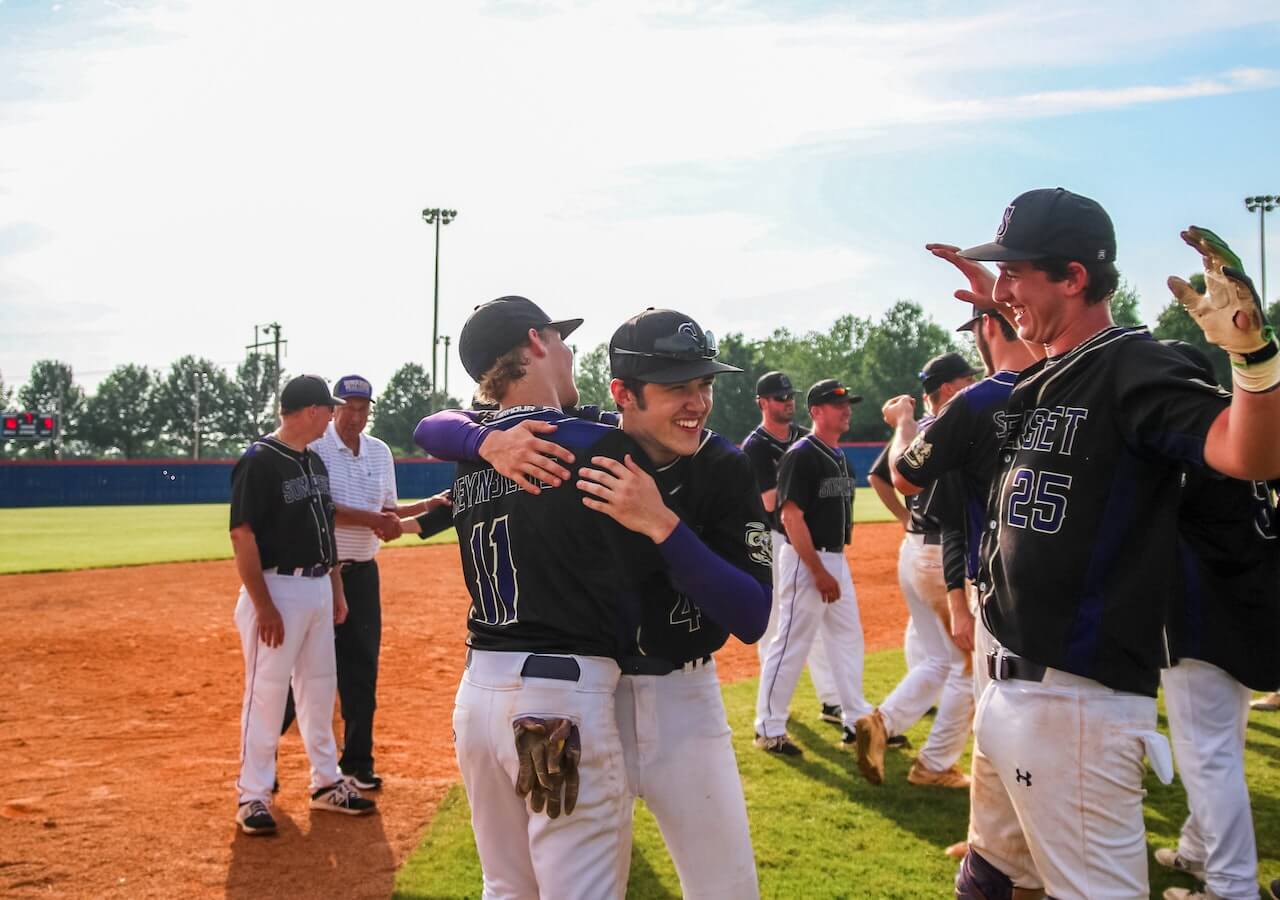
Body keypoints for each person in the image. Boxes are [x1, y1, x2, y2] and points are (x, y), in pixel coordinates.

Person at [908, 188, 1280, 900]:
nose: (1006, 289)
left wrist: (1253, 359)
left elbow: (1250, 453)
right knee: (990, 876)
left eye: (1018, 272)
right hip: (1014, 688)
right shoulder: (1042, 378)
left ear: (1075, 277)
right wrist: (1001, 308)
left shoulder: (1134, 365)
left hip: (1078, 705)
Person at [417, 307, 773, 899]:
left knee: (727, 891)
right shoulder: (576, 438)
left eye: (704, 384)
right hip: (585, 698)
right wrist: (486, 443)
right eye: (676, 387)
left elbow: (752, 615)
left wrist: (664, 526)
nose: (697, 402)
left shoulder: (722, 466)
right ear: (623, 394)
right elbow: (437, 425)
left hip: (680, 702)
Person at [1156, 341, 1280, 900]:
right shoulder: (1246, 427)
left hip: (1202, 613)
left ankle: (1231, 888)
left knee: (1208, 757)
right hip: (1247, 605)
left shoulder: (1190, 441)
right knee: (1218, 744)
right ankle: (1198, 849)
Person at [229, 374, 376, 836]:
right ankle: (252, 795)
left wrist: (334, 589)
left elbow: (324, 531)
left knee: (318, 690)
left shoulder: (313, 461)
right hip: (277, 590)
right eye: (329, 409)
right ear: (311, 411)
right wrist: (264, 605)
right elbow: (242, 534)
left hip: (315, 589)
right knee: (267, 695)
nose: (333, 416)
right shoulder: (259, 461)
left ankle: (327, 782)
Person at [298, 374, 439, 790]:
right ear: (333, 409)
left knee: (362, 671)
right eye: (347, 409)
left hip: (363, 575)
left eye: (362, 409)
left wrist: (430, 506)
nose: (355, 417)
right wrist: (377, 520)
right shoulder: (316, 448)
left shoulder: (378, 452)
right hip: (322, 573)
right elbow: (322, 509)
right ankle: (264, 767)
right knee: (304, 674)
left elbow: (388, 511)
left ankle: (358, 762)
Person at [855, 352, 976, 790]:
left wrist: (906, 520)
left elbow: (884, 475)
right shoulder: (954, 426)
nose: (973, 385)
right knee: (966, 665)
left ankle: (881, 723)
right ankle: (936, 764)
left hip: (915, 550)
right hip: (945, 556)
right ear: (946, 389)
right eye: (966, 379)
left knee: (939, 659)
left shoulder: (919, 431)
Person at [754, 379, 872, 755]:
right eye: (838, 405)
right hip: (806, 560)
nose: (846, 410)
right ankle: (769, 728)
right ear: (817, 412)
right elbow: (790, 518)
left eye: (847, 404)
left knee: (847, 638)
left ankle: (856, 720)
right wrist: (818, 570)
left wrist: (832, 567)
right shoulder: (802, 454)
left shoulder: (836, 454)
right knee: (791, 642)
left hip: (835, 557)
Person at [741, 370, 842, 725]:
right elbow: (770, 503)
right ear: (763, 403)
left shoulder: (802, 438)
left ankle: (831, 700)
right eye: (780, 398)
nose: (788, 402)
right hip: (771, 540)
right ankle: (772, 701)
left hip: (805, 538)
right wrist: (802, 486)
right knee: (773, 627)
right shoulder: (755, 446)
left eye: (790, 397)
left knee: (809, 621)